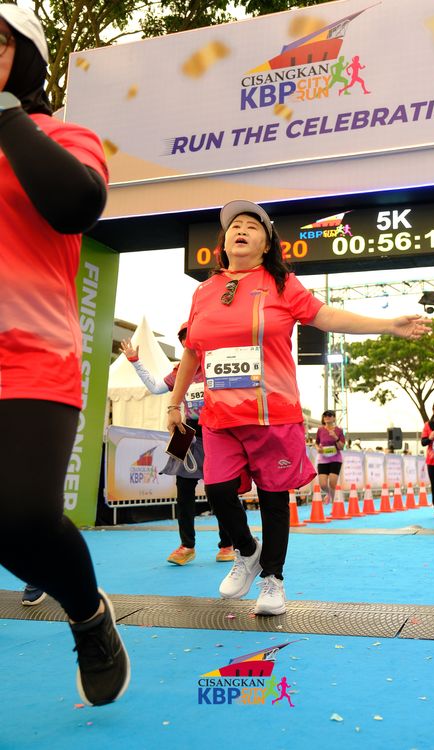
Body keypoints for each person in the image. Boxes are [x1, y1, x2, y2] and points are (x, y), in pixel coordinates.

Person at [166, 199, 431, 616]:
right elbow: (192, 352)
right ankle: (247, 551)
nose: (241, 230)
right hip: (219, 416)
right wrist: (174, 403)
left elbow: (326, 317)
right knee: (217, 489)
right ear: (224, 241)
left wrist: (386, 325)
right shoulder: (204, 291)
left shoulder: (283, 284)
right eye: (235, 225)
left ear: (267, 243)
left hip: (273, 413)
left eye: (252, 226)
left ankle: (272, 580)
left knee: (274, 499)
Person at [0, 6, 129, 705]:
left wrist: (5, 115)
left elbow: (77, 203)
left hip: (30, 355)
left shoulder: (59, 134)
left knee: (20, 515)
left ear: (22, 54)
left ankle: (87, 616)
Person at [120, 325, 235, 564]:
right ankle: (187, 546)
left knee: (219, 491)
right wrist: (135, 361)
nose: (186, 342)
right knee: (183, 490)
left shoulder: (217, 364)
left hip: (216, 432)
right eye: (183, 338)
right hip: (186, 432)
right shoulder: (180, 370)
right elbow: (155, 387)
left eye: (189, 336)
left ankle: (227, 544)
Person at [315, 410, 345, 503]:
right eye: (325, 415)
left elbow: (341, 447)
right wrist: (318, 449)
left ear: (334, 418)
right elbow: (316, 443)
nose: (327, 417)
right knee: (323, 485)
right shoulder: (320, 430)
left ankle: (333, 502)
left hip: (335, 459)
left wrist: (335, 437)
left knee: (332, 482)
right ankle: (329, 494)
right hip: (323, 459)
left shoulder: (339, 430)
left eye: (329, 415)